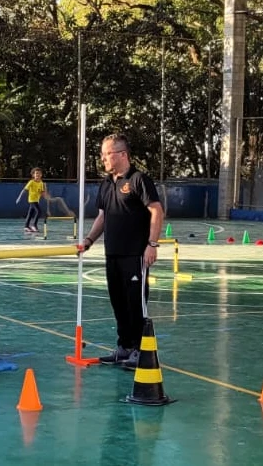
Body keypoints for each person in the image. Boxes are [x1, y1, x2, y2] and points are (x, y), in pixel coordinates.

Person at [82, 133, 164, 370]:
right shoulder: (107, 183)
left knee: (135, 304)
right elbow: (102, 216)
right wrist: (89, 240)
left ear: (122, 155)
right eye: (102, 153)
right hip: (113, 254)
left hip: (135, 254)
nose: (103, 158)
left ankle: (140, 350)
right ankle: (125, 347)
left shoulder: (139, 180)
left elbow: (157, 211)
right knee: (118, 302)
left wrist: (152, 244)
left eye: (107, 153)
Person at [16, 167, 49, 232]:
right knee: (39, 211)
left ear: (41, 175)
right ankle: (34, 225)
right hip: (32, 200)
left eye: (39, 173)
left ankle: (26, 226)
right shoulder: (31, 182)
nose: (37, 175)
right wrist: (19, 198)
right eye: (36, 173)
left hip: (37, 200)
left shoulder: (41, 183)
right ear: (33, 175)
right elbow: (24, 190)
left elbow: (42, 192)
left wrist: (45, 195)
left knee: (30, 213)